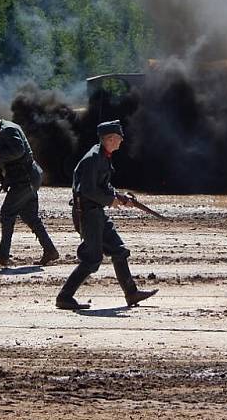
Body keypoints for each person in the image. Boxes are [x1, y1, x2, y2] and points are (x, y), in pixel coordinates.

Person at [56, 120, 158, 310]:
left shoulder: (103, 155)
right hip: (88, 213)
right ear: (110, 139)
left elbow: (103, 185)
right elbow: (86, 190)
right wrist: (110, 200)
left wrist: (119, 196)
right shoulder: (93, 158)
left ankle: (131, 293)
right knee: (92, 259)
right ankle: (64, 296)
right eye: (119, 137)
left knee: (118, 250)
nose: (121, 140)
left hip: (97, 212)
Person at [0, 111, 59, 266]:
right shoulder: (6, 129)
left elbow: (18, 151)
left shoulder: (7, 130)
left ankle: (3, 254)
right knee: (30, 217)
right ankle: (50, 250)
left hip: (24, 179)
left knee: (7, 213)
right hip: (27, 178)